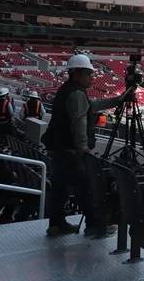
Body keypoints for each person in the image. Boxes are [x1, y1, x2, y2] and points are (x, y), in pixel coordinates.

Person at [43, 54, 130, 237]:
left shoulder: (69, 90)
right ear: (77, 74)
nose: (93, 77)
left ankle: (56, 225)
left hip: (60, 149)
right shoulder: (76, 93)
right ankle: (95, 225)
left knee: (60, 189)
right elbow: (79, 123)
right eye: (89, 74)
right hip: (72, 152)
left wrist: (117, 100)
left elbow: (92, 106)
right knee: (87, 189)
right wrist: (84, 149)